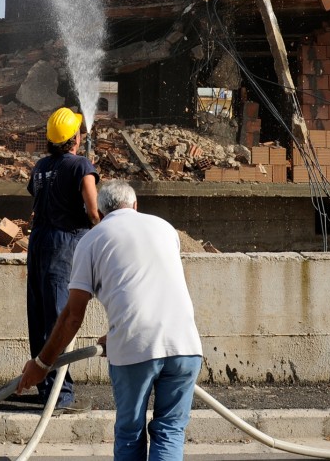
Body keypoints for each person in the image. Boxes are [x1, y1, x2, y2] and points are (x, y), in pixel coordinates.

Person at [18, 180, 203, 461]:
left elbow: (71, 316)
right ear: (135, 206)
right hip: (186, 345)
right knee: (170, 430)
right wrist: (118, 333)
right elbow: (153, 283)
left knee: (130, 434)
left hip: (136, 350)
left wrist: (42, 365)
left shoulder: (91, 240)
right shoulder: (165, 228)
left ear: (100, 213)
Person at [25, 106, 100, 411]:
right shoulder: (82, 166)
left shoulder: (40, 166)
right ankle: (61, 396)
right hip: (64, 241)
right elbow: (94, 212)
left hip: (38, 240)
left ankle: (45, 390)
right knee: (59, 317)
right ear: (74, 139)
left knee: (40, 315)